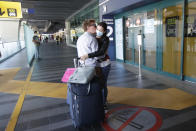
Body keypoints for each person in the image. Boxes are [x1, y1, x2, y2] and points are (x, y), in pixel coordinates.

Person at [80, 22, 111, 108]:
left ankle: (104, 103)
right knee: (97, 84)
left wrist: (87, 55)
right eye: (97, 29)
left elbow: (101, 52)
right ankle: (98, 101)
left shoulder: (106, 39)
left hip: (104, 64)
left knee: (103, 84)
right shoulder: (92, 37)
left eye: (101, 30)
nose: (98, 31)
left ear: (104, 31)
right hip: (95, 65)